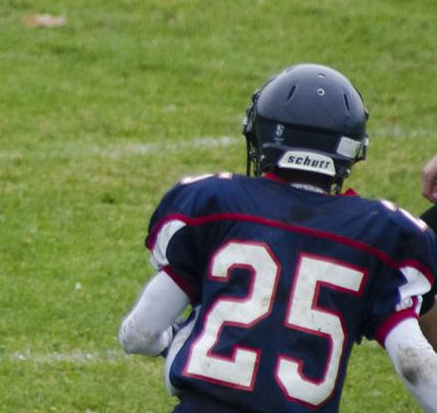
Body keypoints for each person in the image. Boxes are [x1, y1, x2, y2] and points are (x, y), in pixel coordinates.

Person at [118, 64, 437, 412]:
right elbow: (414, 361)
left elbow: (139, 333)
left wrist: (174, 340)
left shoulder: (217, 205)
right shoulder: (379, 233)